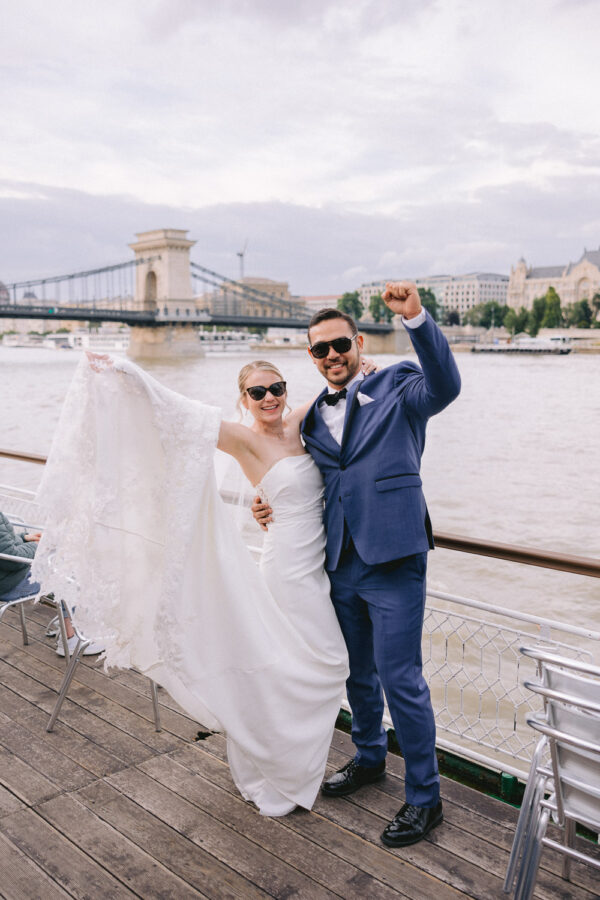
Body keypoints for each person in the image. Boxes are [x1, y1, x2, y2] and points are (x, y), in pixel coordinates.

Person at [31, 351, 375, 817]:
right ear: (243, 399)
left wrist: (364, 369)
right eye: (257, 392)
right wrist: (126, 374)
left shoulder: (298, 422)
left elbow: (336, 387)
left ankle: (286, 762)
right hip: (287, 570)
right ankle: (278, 765)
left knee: (318, 665)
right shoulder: (242, 439)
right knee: (316, 665)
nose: (269, 398)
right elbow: (175, 414)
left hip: (318, 565)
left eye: (276, 388)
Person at [252, 281, 461, 847]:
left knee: (402, 680)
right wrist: (261, 500)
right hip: (339, 560)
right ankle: (369, 757)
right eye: (320, 349)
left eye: (340, 344)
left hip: (393, 558)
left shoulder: (399, 386)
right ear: (312, 357)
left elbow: (446, 385)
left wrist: (415, 318)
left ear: (358, 342)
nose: (332, 355)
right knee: (356, 674)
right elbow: (287, 467)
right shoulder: (309, 419)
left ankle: (426, 797)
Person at [0, 510, 104, 656]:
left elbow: (4, 546)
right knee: (68, 570)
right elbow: (11, 558)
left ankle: (67, 620)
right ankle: (69, 637)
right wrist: (39, 546)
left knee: (62, 559)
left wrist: (24, 538)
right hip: (11, 584)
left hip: (6, 578)